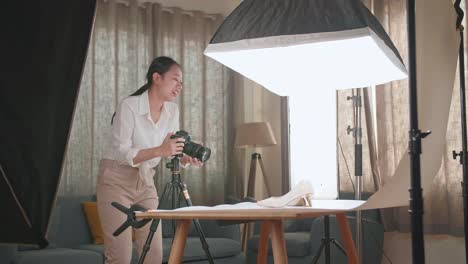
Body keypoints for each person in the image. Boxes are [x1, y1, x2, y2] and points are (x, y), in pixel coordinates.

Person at [97, 56, 202, 264]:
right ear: (157, 78)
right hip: (116, 180)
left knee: (154, 255)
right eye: (175, 79)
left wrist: (184, 158)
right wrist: (159, 150)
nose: (179, 86)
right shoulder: (129, 106)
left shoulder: (172, 110)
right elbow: (121, 152)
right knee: (120, 256)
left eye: (181, 82)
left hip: (146, 182)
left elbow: (169, 149)